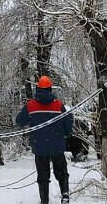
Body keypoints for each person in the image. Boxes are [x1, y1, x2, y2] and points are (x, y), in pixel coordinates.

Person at [16, 76, 72, 204]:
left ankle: (44, 200)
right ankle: (65, 194)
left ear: (38, 89)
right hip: (57, 146)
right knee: (61, 170)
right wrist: (65, 135)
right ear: (50, 88)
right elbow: (68, 126)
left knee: (43, 175)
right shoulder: (58, 105)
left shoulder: (30, 105)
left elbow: (20, 122)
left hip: (40, 147)